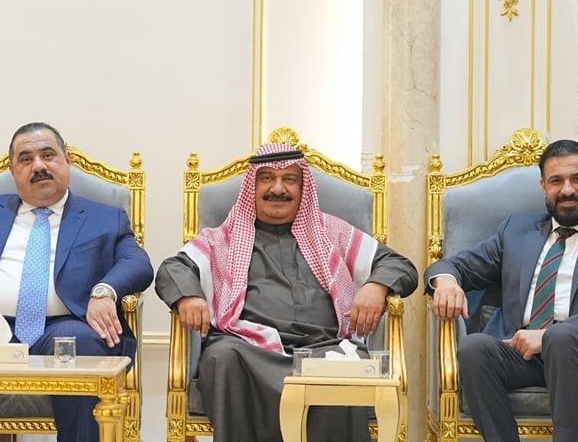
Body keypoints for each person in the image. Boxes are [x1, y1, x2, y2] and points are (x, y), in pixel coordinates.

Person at [0, 122, 154, 442]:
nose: (38, 166)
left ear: (67, 160)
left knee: (84, 345)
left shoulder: (104, 217)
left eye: (48, 155)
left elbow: (137, 262)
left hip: (65, 326)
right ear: (13, 170)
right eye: (25, 159)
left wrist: (105, 291)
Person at [155, 142, 418, 442]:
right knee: (221, 357)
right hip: (247, 349)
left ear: (303, 188)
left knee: (345, 366)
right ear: (252, 187)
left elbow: (401, 265)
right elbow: (173, 268)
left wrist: (376, 285)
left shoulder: (331, 232)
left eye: (289, 179)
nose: (277, 188)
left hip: (323, 349)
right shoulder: (224, 238)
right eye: (267, 178)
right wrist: (189, 295)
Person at [425, 139, 578, 442]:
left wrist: (547, 335)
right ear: (544, 186)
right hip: (522, 352)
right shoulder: (516, 231)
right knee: (474, 348)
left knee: (561, 338)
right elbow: (456, 266)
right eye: (556, 181)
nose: (567, 190)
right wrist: (446, 281)